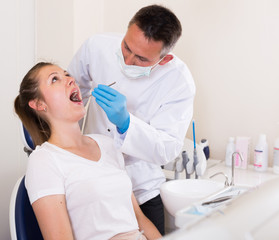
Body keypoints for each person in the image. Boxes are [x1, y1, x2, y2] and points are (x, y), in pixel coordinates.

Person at [68, 4, 196, 234]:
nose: (127, 61)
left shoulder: (179, 83)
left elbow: (167, 149)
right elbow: (70, 99)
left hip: (141, 189)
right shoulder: (97, 47)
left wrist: (127, 124)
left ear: (164, 59)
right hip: (92, 184)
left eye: (141, 59)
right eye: (126, 47)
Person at [14, 62, 162, 240]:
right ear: (39, 104)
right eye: (55, 79)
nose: (70, 80)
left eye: (67, 74)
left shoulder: (107, 144)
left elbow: (140, 220)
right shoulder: (44, 160)